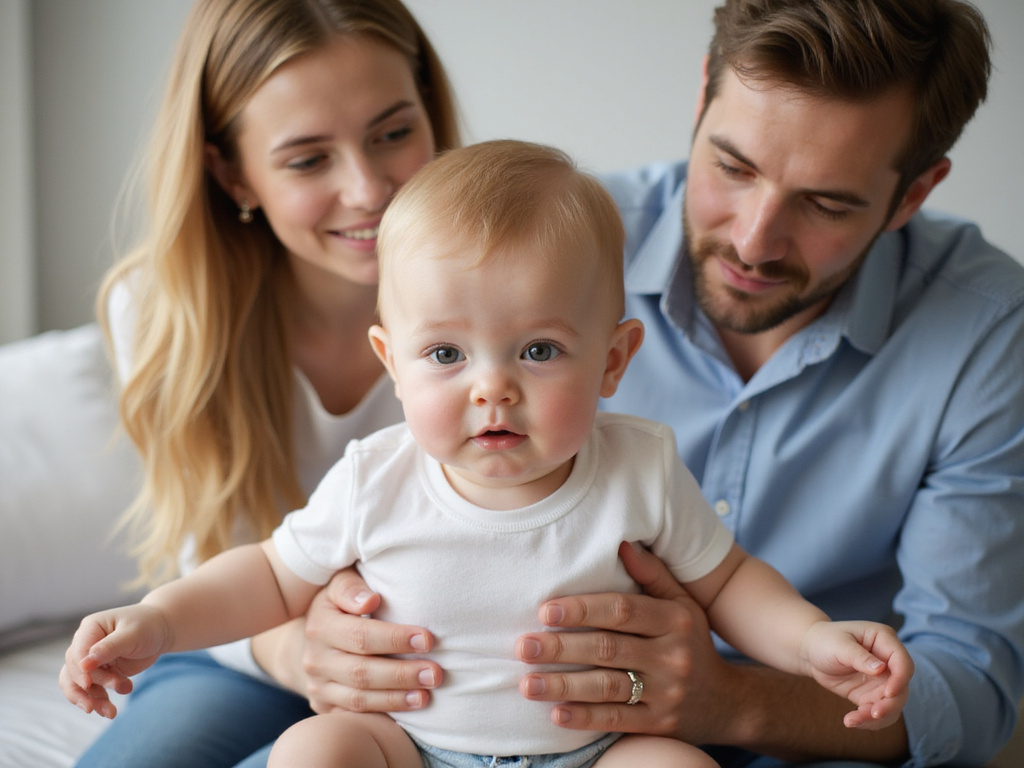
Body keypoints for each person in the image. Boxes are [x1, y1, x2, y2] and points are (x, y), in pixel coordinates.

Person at [298, 2, 1024, 767]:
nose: (753, 239)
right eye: (732, 168)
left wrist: (730, 700)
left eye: (826, 203)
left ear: (913, 195)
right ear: (704, 91)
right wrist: (324, 634)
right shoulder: (545, 245)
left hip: (790, 734)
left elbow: (971, 687)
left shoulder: (988, 329)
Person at [63, 139, 916, 768]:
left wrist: (812, 643)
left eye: (539, 351)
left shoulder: (639, 467)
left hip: (598, 749)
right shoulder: (377, 476)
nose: (492, 389)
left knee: (677, 767)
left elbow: (729, 583)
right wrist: (161, 621)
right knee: (314, 750)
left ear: (614, 359)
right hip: (410, 744)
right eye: (445, 356)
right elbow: (267, 575)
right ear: (391, 362)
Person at [64, 0, 460, 766]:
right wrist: (300, 653)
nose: (370, 188)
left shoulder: (506, 281)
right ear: (230, 171)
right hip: (244, 646)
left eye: (394, 132)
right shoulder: (159, 311)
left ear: (431, 116)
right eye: (309, 159)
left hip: (440, 662)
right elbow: (205, 549)